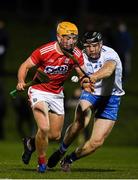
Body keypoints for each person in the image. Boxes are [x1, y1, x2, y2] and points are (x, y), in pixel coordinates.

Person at [47, 30, 125, 171]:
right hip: (92, 93)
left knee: (96, 142)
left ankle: (69, 159)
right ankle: (61, 150)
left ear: (101, 44)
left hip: (112, 98)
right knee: (81, 120)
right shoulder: (80, 56)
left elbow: (108, 70)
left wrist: (93, 77)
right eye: (88, 46)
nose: (92, 49)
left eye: (95, 45)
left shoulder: (110, 54)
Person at [16, 21, 85, 173]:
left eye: (74, 38)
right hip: (38, 90)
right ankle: (42, 163)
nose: (71, 41)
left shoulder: (77, 54)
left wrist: (84, 81)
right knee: (44, 128)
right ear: (58, 37)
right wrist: (21, 81)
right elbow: (25, 66)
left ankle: (30, 143)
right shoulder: (45, 51)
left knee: (54, 135)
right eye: (67, 37)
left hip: (56, 93)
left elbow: (82, 73)